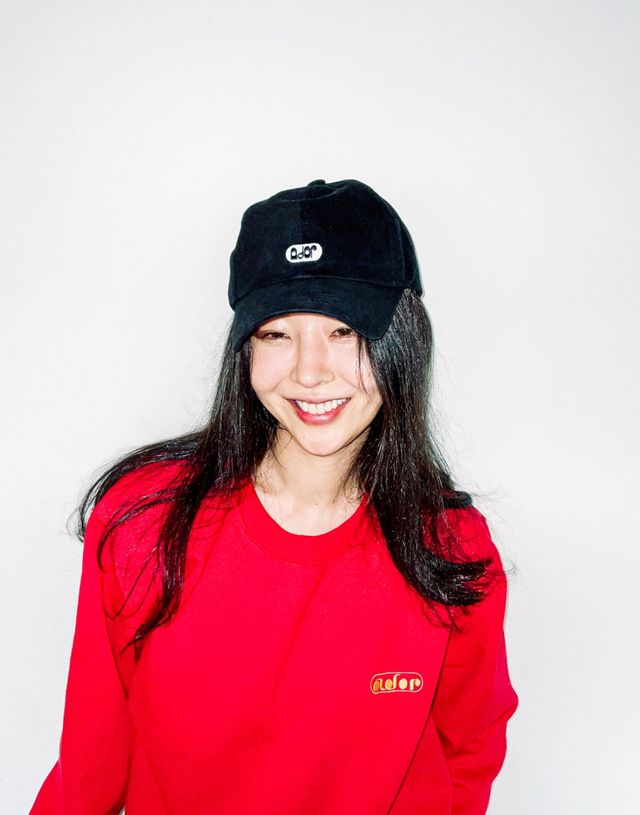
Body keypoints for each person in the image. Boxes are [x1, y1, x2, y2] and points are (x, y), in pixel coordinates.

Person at [30, 178, 518, 815]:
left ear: (403, 340)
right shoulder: (144, 522)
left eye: (344, 331)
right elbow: (90, 759)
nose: (310, 371)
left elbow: (469, 748)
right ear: (245, 348)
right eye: (276, 334)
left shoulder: (451, 545)